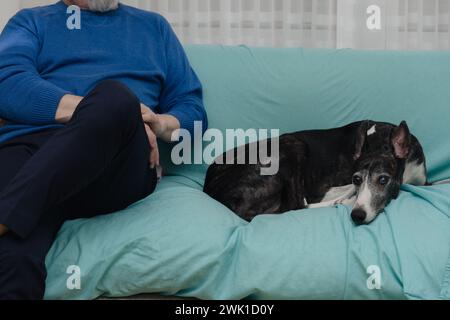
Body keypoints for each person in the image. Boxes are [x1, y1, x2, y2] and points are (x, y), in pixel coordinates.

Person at [0, 0, 207, 299]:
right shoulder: (32, 21)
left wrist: (157, 122)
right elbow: (7, 83)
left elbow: (193, 110)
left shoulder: (153, 27)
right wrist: (97, 110)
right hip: (31, 152)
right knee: (13, 254)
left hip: (119, 163)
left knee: (115, 96)